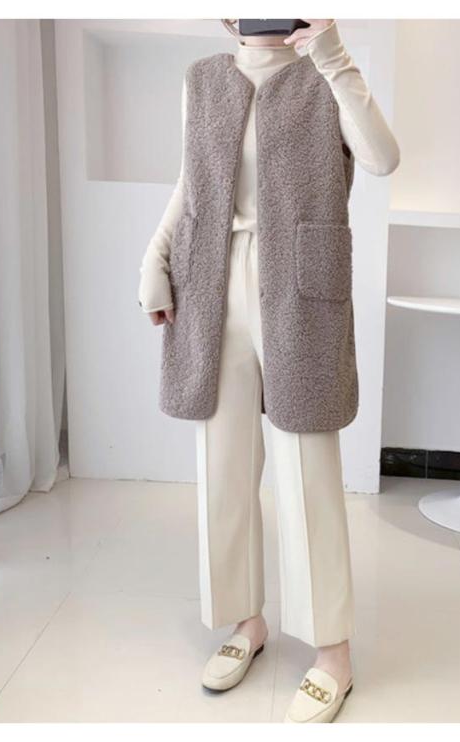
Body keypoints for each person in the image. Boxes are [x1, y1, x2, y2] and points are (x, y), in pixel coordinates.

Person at [138, 18, 400, 723]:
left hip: (298, 284)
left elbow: (382, 158)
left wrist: (331, 51)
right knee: (222, 466)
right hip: (210, 281)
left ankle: (333, 652)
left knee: (307, 467)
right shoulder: (202, 80)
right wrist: (154, 257)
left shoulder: (323, 74)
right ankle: (244, 620)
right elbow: (192, 183)